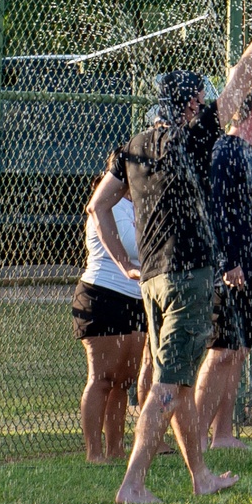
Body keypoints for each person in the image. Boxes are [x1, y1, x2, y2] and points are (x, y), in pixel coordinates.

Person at [89, 0, 252, 504]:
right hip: (187, 276)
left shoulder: (133, 146)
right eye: (205, 99)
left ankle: (200, 475)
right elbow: (245, 73)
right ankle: (132, 483)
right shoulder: (198, 133)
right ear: (192, 106)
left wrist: (124, 261)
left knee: (178, 379)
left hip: (153, 278)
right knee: (168, 385)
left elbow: (99, 206)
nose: (212, 104)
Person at [194, 85, 252, 451]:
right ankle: (195, 435)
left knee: (239, 350)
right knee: (222, 351)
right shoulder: (225, 151)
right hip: (235, 273)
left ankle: (223, 434)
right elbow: (217, 209)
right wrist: (229, 262)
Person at [73, 150, 148, 463]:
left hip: (137, 298)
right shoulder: (107, 204)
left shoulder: (138, 204)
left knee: (123, 381)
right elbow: (135, 247)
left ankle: (115, 450)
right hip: (103, 294)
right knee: (102, 378)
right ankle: (94, 453)